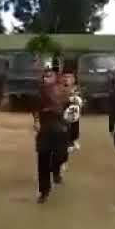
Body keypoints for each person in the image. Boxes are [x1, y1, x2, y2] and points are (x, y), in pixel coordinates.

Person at [32, 66, 71, 204]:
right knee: (42, 160)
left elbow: (71, 110)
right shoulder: (39, 93)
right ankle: (44, 191)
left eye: (49, 76)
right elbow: (35, 110)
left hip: (60, 129)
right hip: (45, 130)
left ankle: (55, 170)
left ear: (56, 77)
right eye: (44, 76)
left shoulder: (64, 92)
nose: (46, 79)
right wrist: (36, 121)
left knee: (61, 155)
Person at [61, 68, 83, 152]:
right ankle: (67, 143)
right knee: (65, 127)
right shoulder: (61, 88)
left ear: (73, 79)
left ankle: (74, 140)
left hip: (74, 112)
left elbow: (80, 99)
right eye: (65, 77)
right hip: (64, 112)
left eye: (69, 77)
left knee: (75, 126)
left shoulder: (77, 88)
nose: (67, 79)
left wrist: (78, 101)